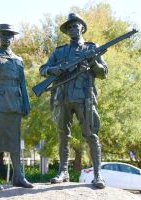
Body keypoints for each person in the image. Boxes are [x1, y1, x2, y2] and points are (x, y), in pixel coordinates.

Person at [39, 13, 108, 189]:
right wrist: (53, 70)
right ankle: (63, 172)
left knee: (91, 135)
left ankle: (98, 175)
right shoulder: (59, 51)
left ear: (82, 28)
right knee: (63, 136)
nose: (72, 29)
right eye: (69, 27)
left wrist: (93, 63)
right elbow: (43, 69)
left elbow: (103, 73)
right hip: (63, 98)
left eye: (75, 25)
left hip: (85, 98)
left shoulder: (91, 48)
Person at [0, 24, 33, 190]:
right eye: (3, 34)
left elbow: (22, 84)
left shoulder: (19, 60)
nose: (6, 37)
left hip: (15, 104)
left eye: (9, 35)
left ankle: (18, 175)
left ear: (13, 38)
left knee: (15, 141)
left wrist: (26, 102)